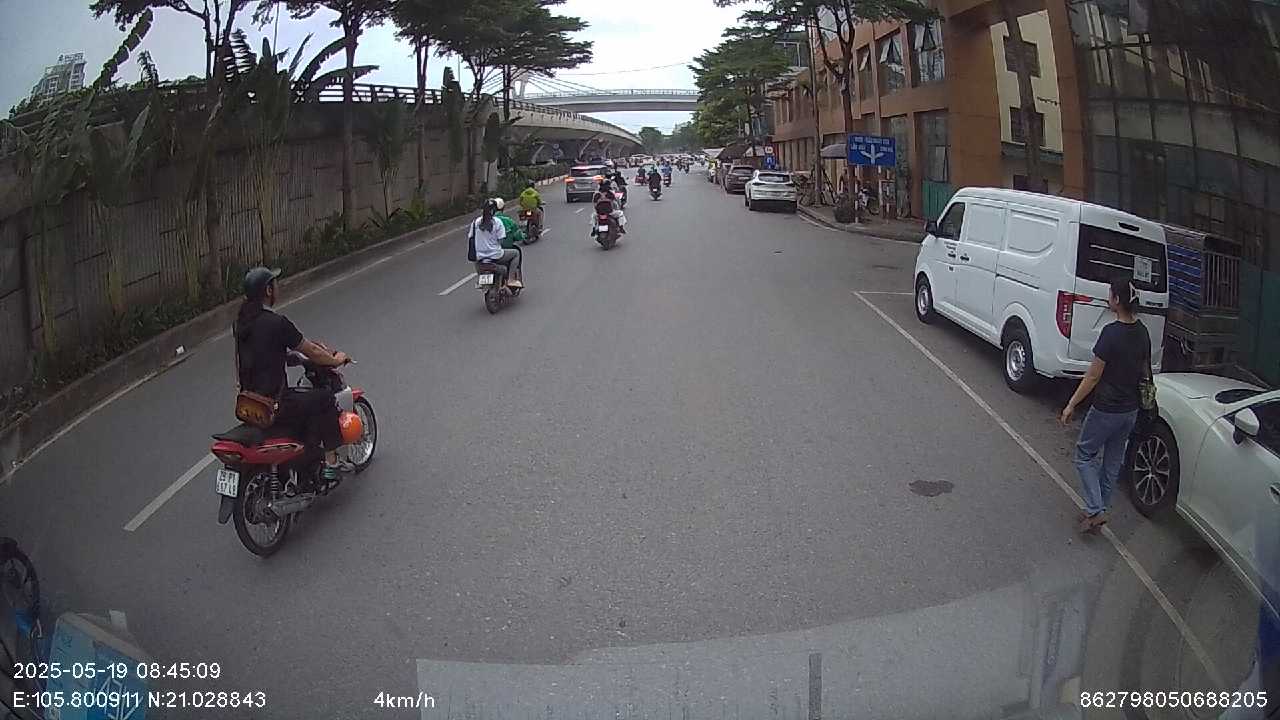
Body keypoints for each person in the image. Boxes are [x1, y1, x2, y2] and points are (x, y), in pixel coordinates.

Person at [234, 267, 352, 486]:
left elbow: (263, 353)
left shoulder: (241, 323)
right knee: (324, 397)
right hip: (275, 403)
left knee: (305, 403)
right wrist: (335, 360)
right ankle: (332, 462)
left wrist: (291, 358)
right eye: (275, 284)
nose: (278, 287)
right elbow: (312, 351)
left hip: (250, 403)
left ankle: (305, 466)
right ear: (268, 290)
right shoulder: (278, 323)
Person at [1060, 277, 1152, 533]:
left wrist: (1071, 404)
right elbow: (1145, 370)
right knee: (1112, 463)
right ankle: (1097, 510)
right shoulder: (1143, 332)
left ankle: (1095, 509)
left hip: (1106, 408)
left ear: (1117, 300)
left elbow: (1092, 376)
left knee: (1084, 454)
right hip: (1130, 410)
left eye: (1110, 294)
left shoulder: (1111, 333)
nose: (1108, 298)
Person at [468, 199, 522, 288]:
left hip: (479, 257)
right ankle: (511, 279)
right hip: (495, 255)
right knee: (516, 253)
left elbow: (471, 237)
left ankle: (480, 280)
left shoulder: (475, 222)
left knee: (478, 263)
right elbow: (501, 240)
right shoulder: (497, 222)